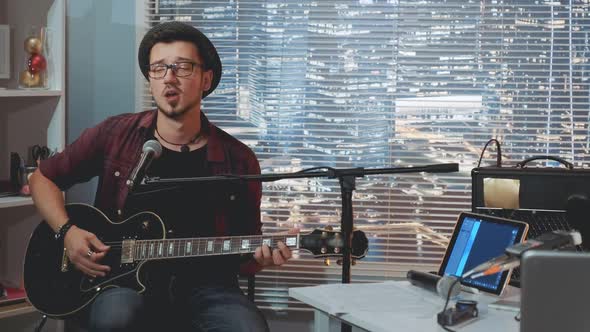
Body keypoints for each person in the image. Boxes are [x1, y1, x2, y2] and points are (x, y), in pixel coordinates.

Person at [29, 21, 293, 332]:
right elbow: (42, 179)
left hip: (208, 288)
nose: (169, 77)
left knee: (248, 328)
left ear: (206, 79)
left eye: (182, 67)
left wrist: (261, 259)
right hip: (119, 283)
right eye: (158, 68)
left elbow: (245, 258)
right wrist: (68, 232)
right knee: (116, 318)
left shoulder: (239, 159)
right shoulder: (116, 134)